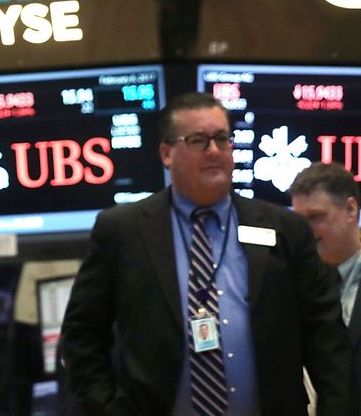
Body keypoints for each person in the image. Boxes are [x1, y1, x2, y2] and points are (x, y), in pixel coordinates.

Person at [60, 91, 351, 415]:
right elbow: (81, 334)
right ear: (167, 153)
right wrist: (103, 407)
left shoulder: (286, 229)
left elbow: (326, 338)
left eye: (221, 138)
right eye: (198, 140)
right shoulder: (122, 231)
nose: (214, 150)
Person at [290, 162, 361, 405]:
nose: (305, 232)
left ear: (350, 210)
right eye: (298, 221)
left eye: (316, 217)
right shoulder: (300, 286)